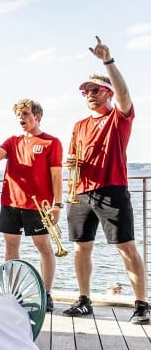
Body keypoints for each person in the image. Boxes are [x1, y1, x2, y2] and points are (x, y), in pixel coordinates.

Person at [62, 38, 148, 324]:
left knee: (126, 247)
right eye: (86, 91)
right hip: (82, 192)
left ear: (107, 93)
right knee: (80, 247)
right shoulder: (79, 125)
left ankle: (142, 304)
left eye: (95, 90)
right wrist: (71, 163)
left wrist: (107, 62)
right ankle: (84, 300)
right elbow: (74, 157)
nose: (89, 94)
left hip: (112, 189)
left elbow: (124, 93)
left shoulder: (118, 117)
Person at [0, 100, 63, 313]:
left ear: (37, 116)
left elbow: (56, 175)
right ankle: (12, 293)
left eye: (25, 114)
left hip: (37, 205)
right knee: (11, 245)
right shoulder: (12, 141)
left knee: (43, 246)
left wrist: (58, 205)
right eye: (19, 115)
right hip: (10, 202)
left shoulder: (52, 142)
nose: (21, 118)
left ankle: (47, 293)